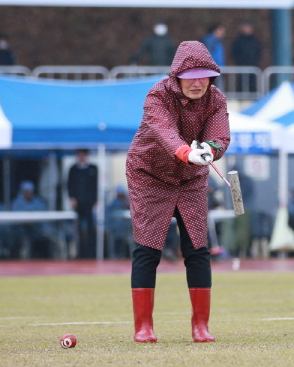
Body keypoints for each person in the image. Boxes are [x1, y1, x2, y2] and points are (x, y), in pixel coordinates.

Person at [125, 40, 230, 343]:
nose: (197, 83)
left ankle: (201, 326)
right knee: (148, 249)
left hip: (191, 178)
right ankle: (143, 327)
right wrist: (186, 152)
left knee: (198, 248)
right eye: (190, 76)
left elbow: (221, 135)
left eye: (204, 75)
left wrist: (210, 149)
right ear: (176, 77)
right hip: (149, 174)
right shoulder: (157, 95)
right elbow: (164, 130)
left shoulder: (217, 99)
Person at [13, 180, 56, 258]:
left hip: (38, 228)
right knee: (25, 238)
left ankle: (51, 257)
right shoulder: (17, 202)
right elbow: (15, 217)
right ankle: (25, 258)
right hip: (22, 229)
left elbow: (43, 215)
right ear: (22, 191)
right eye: (26, 191)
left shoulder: (38, 201)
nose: (28, 193)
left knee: (52, 236)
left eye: (30, 191)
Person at [68, 149, 98, 259]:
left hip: (90, 203)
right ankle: (80, 253)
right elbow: (69, 185)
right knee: (79, 228)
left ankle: (92, 253)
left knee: (91, 228)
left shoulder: (93, 169)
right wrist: (72, 198)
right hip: (78, 204)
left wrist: (96, 200)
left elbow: (96, 185)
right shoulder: (73, 169)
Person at [230, 20, 261, 93]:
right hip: (241, 66)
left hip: (253, 66)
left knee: (252, 84)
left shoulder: (255, 41)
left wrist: (255, 61)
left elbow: (258, 52)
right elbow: (234, 53)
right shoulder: (238, 41)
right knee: (242, 83)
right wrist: (239, 62)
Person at [105, 184, 132, 258]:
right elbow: (109, 216)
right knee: (117, 239)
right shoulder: (114, 203)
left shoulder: (128, 202)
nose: (122, 195)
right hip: (116, 228)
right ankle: (117, 254)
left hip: (126, 228)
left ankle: (125, 254)